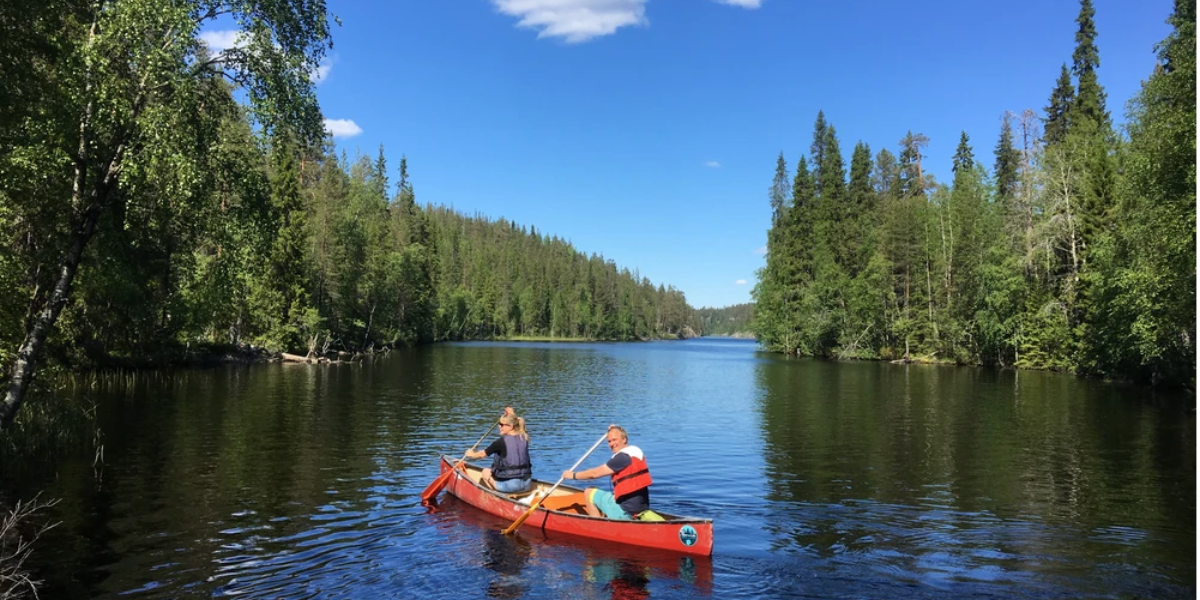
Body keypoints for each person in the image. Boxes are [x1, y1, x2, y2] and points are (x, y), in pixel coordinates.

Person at [561, 424, 651, 520]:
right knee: (610, 495)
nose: (612, 444)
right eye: (609, 441)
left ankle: (596, 526)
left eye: (615, 440)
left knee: (589, 492)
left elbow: (593, 474)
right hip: (641, 509)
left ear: (624, 439)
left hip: (626, 513)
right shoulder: (636, 452)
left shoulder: (621, 458)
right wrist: (614, 429)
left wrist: (572, 475)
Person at [466, 407, 532, 493]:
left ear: (511, 426)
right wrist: (512, 413)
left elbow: (482, 454)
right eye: (499, 424)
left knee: (485, 472)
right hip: (527, 484)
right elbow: (518, 423)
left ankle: (495, 496)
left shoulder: (500, 442)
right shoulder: (524, 437)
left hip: (512, 486)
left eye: (502, 425)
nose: (499, 427)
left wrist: (471, 454)